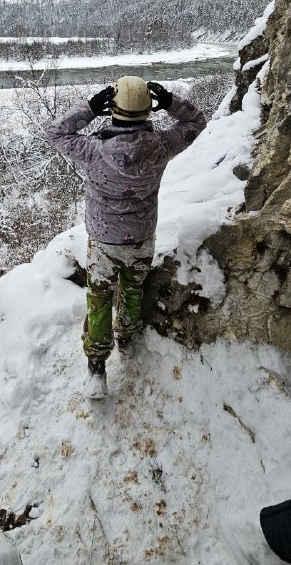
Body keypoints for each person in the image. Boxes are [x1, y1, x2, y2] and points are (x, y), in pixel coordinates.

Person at [45, 76, 206, 398]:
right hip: (142, 238)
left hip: (104, 242)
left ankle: (96, 368)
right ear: (149, 110)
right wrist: (172, 102)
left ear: (112, 108)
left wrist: (90, 108)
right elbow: (196, 121)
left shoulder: (92, 149)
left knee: (100, 300)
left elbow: (55, 132)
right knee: (132, 290)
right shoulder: (161, 146)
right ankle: (126, 339)